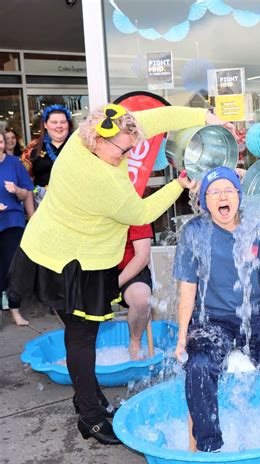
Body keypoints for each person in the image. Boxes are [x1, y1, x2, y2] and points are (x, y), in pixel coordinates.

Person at [8, 102, 233, 444]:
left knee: (78, 333)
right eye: (124, 149)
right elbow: (139, 211)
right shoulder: (97, 179)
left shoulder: (98, 134)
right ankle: (91, 417)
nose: (128, 153)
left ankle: (88, 397)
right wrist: (180, 184)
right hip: (69, 261)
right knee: (82, 337)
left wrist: (206, 118)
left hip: (60, 248)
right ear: (97, 141)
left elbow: (158, 118)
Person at [174, 166, 260, 453]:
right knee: (199, 365)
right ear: (205, 201)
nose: (222, 196)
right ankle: (209, 445)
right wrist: (182, 336)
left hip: (257, 315)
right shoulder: (195, 233)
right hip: (211, 320)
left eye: (229, 190)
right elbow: (187, 289)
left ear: (239, 197)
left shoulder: (254, 228)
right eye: (214, 192)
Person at [0, 130, 33, 326]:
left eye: (1, 141)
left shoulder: (14, 163)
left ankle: (15, 311)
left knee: (14, 269)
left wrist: (16, 190)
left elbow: (25, 193)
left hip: (12, 221)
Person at [20, 104, 73, 215]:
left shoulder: (80, 146)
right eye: (54, 122)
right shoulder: (32, 148)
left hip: (74, 205)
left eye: (63, 122)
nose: (59, 126)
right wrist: (31, 215)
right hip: (43, 207)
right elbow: (27, 182)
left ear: (68, 124)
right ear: (45, 125)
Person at [118, 223, 154, 360]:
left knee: (141, 298)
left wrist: (113, 285)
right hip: (98, 269)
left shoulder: (135, 206)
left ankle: (135, 343)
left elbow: (143, 256)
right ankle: (79, 349)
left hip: (131, 269)